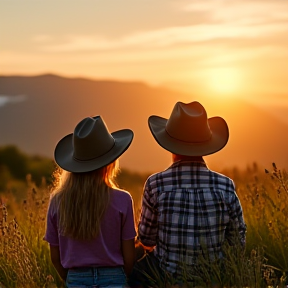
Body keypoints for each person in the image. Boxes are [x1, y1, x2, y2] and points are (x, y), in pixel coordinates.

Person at [133, 101, 246, 286]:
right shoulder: (226, 186)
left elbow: (146, 239)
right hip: (213, 280)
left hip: (166, 279)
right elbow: (238, 243)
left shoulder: (155, 184)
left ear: (170, 146)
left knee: (133, 271)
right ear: (206, 145)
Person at [44, 115, 136, 288]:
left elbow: (55, 257)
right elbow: (129, 256)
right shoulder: (123, 199)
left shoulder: (57, 201)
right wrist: (121, 277)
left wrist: (72, 278)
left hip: (76, 278)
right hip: (114, 277)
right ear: (110, 163)